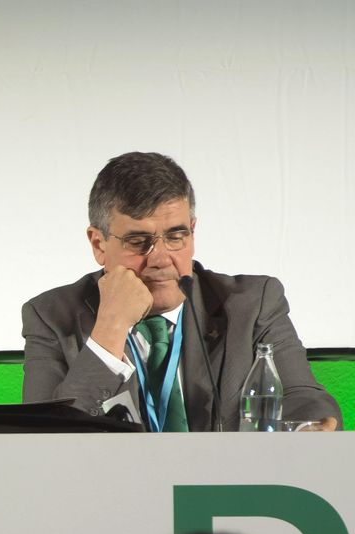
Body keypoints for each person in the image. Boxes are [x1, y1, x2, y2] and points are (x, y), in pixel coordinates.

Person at [22, 151, 339, 431]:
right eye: (137, 241)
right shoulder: (51, 316)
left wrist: (304, 429)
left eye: (176, 236)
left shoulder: (255, 303)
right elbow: (47, 438)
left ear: (193, 230)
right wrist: (110, 329)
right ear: (98, 244)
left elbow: (304, 397)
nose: (160, 259)